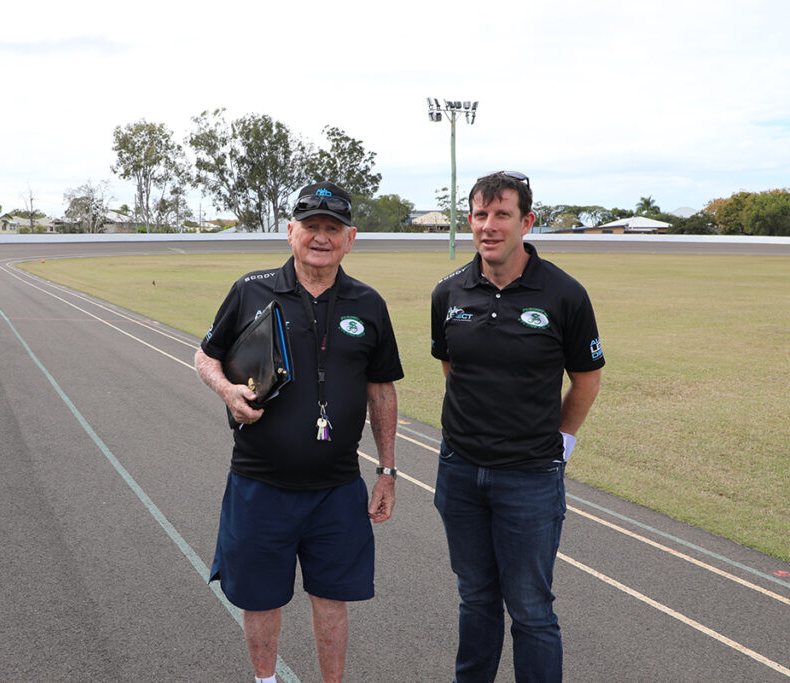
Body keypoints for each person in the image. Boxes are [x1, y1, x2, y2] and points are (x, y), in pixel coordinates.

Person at [195, 180, 403, 683]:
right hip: (260, 483)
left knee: (332, 600)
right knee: (260, 598)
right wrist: (227, 391)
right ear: (291, 232)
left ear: (350, 238)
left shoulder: (368, 303)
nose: (321, 237)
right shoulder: (251, 289)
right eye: (311, 226)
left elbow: (381, 390)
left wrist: (387, 470)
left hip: (337, 488)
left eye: (333, 228)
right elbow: (206, 356)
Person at [430, 171, 604, 682]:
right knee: (476, 598)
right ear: (469, 221)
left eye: (502, 214)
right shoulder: (448, 292)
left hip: (529, 476)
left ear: (526, 223)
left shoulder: (564, 294)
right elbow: (453, 369)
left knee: (530, 608)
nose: (489, 225)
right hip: (460, 471)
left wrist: (560, 443)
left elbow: (586, 379)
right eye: (480, 215)